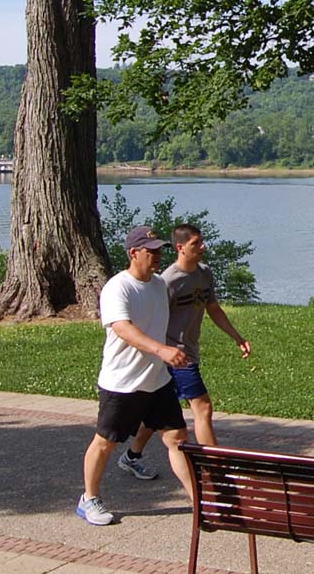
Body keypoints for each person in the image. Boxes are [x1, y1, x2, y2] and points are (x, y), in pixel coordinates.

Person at [76, 225, 193, 526]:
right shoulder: (118, 287)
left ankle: (200, 502)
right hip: (122, 383)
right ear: (133, 253)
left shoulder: (157, 285)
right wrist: (162, 350)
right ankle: (88, 499)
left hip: (157, 381)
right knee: (105, 441)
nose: (157, 256)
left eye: (159, 251)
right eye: (150, 251)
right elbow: (123, 328)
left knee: (177, 439)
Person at [116, 223, 251, 480]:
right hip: (175, 356)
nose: (203, 247)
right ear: (180, 248)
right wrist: (159, 350)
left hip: (189, 352)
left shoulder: (204, 273)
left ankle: (131, 457)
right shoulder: (167, 281)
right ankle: (217, 469)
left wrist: (237, 337)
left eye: (202, 242)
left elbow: (214, 309)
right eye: (196, 244)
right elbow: (148, 318)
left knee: (158, 416)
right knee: (203, 408)